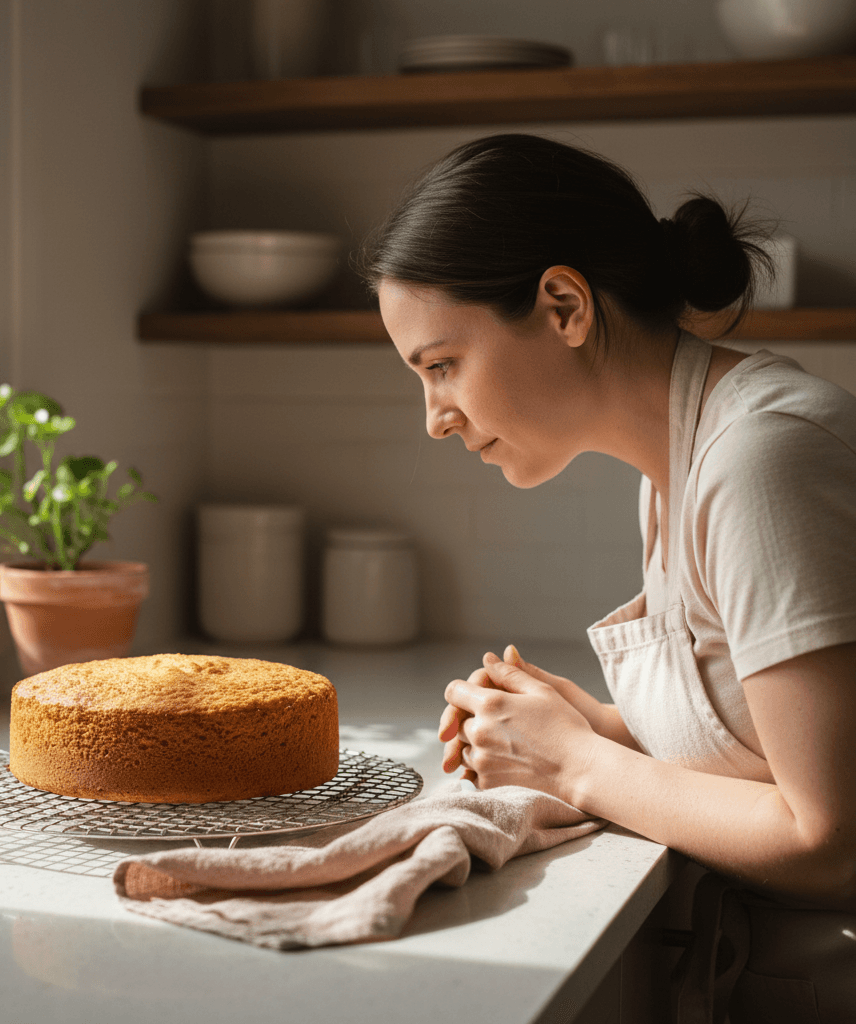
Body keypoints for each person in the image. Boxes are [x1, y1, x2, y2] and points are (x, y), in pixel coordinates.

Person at [361, 133, 856, 1023]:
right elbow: (771, 749)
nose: (434, 417)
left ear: (562, 306)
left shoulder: (761, 460)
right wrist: (604, 730)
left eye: (441, 365)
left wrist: (577, 761)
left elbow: (831, 839)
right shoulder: (675, 468)